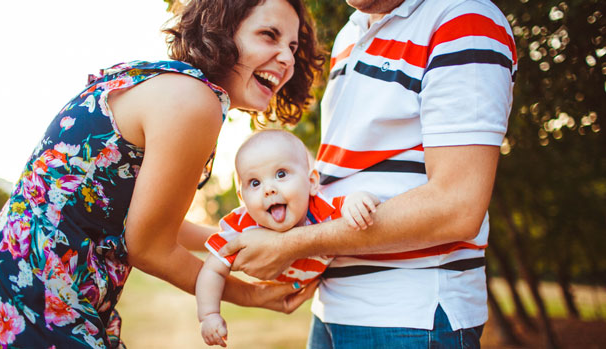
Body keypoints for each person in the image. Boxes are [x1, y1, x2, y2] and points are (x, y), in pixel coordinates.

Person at [0, 0, 325, 347]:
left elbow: (151, 220)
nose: (287, 58)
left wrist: (239, 243)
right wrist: (253, 295)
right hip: (37, 294)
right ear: (222, 29)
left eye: (293, 47)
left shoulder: (165, 81)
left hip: (13, 278)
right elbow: (148, 247)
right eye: (269, 35)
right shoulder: (193, 100)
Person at [218, 0, 518, 347]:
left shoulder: (463, 19)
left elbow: (458, 207)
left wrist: (287, 245)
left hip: (409, 316)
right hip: (331, 309)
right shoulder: (350, 33)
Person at [196, 129, 380, 347]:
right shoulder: (242, 227)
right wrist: (208, 315)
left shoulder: (322, 209)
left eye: (281, 174)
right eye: (255, 183)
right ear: (242, 198)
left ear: (311, 182)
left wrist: (358, 200)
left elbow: (365, 201)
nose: (269, 189)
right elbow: (212, 269)